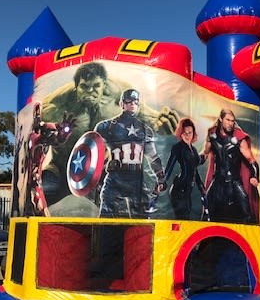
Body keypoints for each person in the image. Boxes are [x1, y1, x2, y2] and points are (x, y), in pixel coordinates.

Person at [40, 62, 179, 206]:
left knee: (121, 207)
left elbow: (151, 118)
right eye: (84, 87)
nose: (90, 91)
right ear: (76, 87)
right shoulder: (58, 103)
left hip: (100, 174)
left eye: (96, 86)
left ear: (104, 85)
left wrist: (160, 122)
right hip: (61, 171)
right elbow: (36, 124)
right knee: (38, 197)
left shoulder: (119, 95)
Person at [94, 88, 167, 218]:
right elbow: (93, 150)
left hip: (136, 178)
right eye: (129, 101)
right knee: (106, 217)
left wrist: (160, 177)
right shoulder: (107, 126)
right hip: (115, 177)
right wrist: (102, 170)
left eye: (135, 101)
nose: (132, 103)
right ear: (122, 104)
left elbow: (152, 157)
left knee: (141, 220)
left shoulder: (144, 129)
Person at [201, 108, 260, 224]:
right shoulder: (212, 136)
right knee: (207, 210)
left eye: (232, 121)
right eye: (227, 120)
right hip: (217, 180)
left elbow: (251, 160)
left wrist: (255, 176)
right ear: (221, 119)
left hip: (234, 181)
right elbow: (205, 154)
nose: (230, 123)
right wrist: (193, 160)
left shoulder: (239, 139)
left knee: (246, 211)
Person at [164, 118, 206, 220]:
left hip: (187, 191)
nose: (187, 136)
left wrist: (201, 187)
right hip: (179, 191)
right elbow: (169, 167)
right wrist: (162, 181)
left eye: (190, 133)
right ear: (180, 133)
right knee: (183, 219)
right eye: (185, 133)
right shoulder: (177, 148)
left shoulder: (193, 149)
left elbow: (194, 168)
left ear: (193, 133)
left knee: (186, 219)